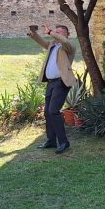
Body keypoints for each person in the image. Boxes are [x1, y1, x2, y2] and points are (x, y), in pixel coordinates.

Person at [27, 23, 76, 154]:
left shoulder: (68, 46)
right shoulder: (52, 45)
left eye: (60, 32)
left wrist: (51, 32)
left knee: (53, 111)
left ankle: (64, 142)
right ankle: (51, 140)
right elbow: (42, 42)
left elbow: (64, 41)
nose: (56, 33)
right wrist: (34, 33)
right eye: (56, 31)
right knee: (47, 113)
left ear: (67, 35)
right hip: (51, 83)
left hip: (61, 82)